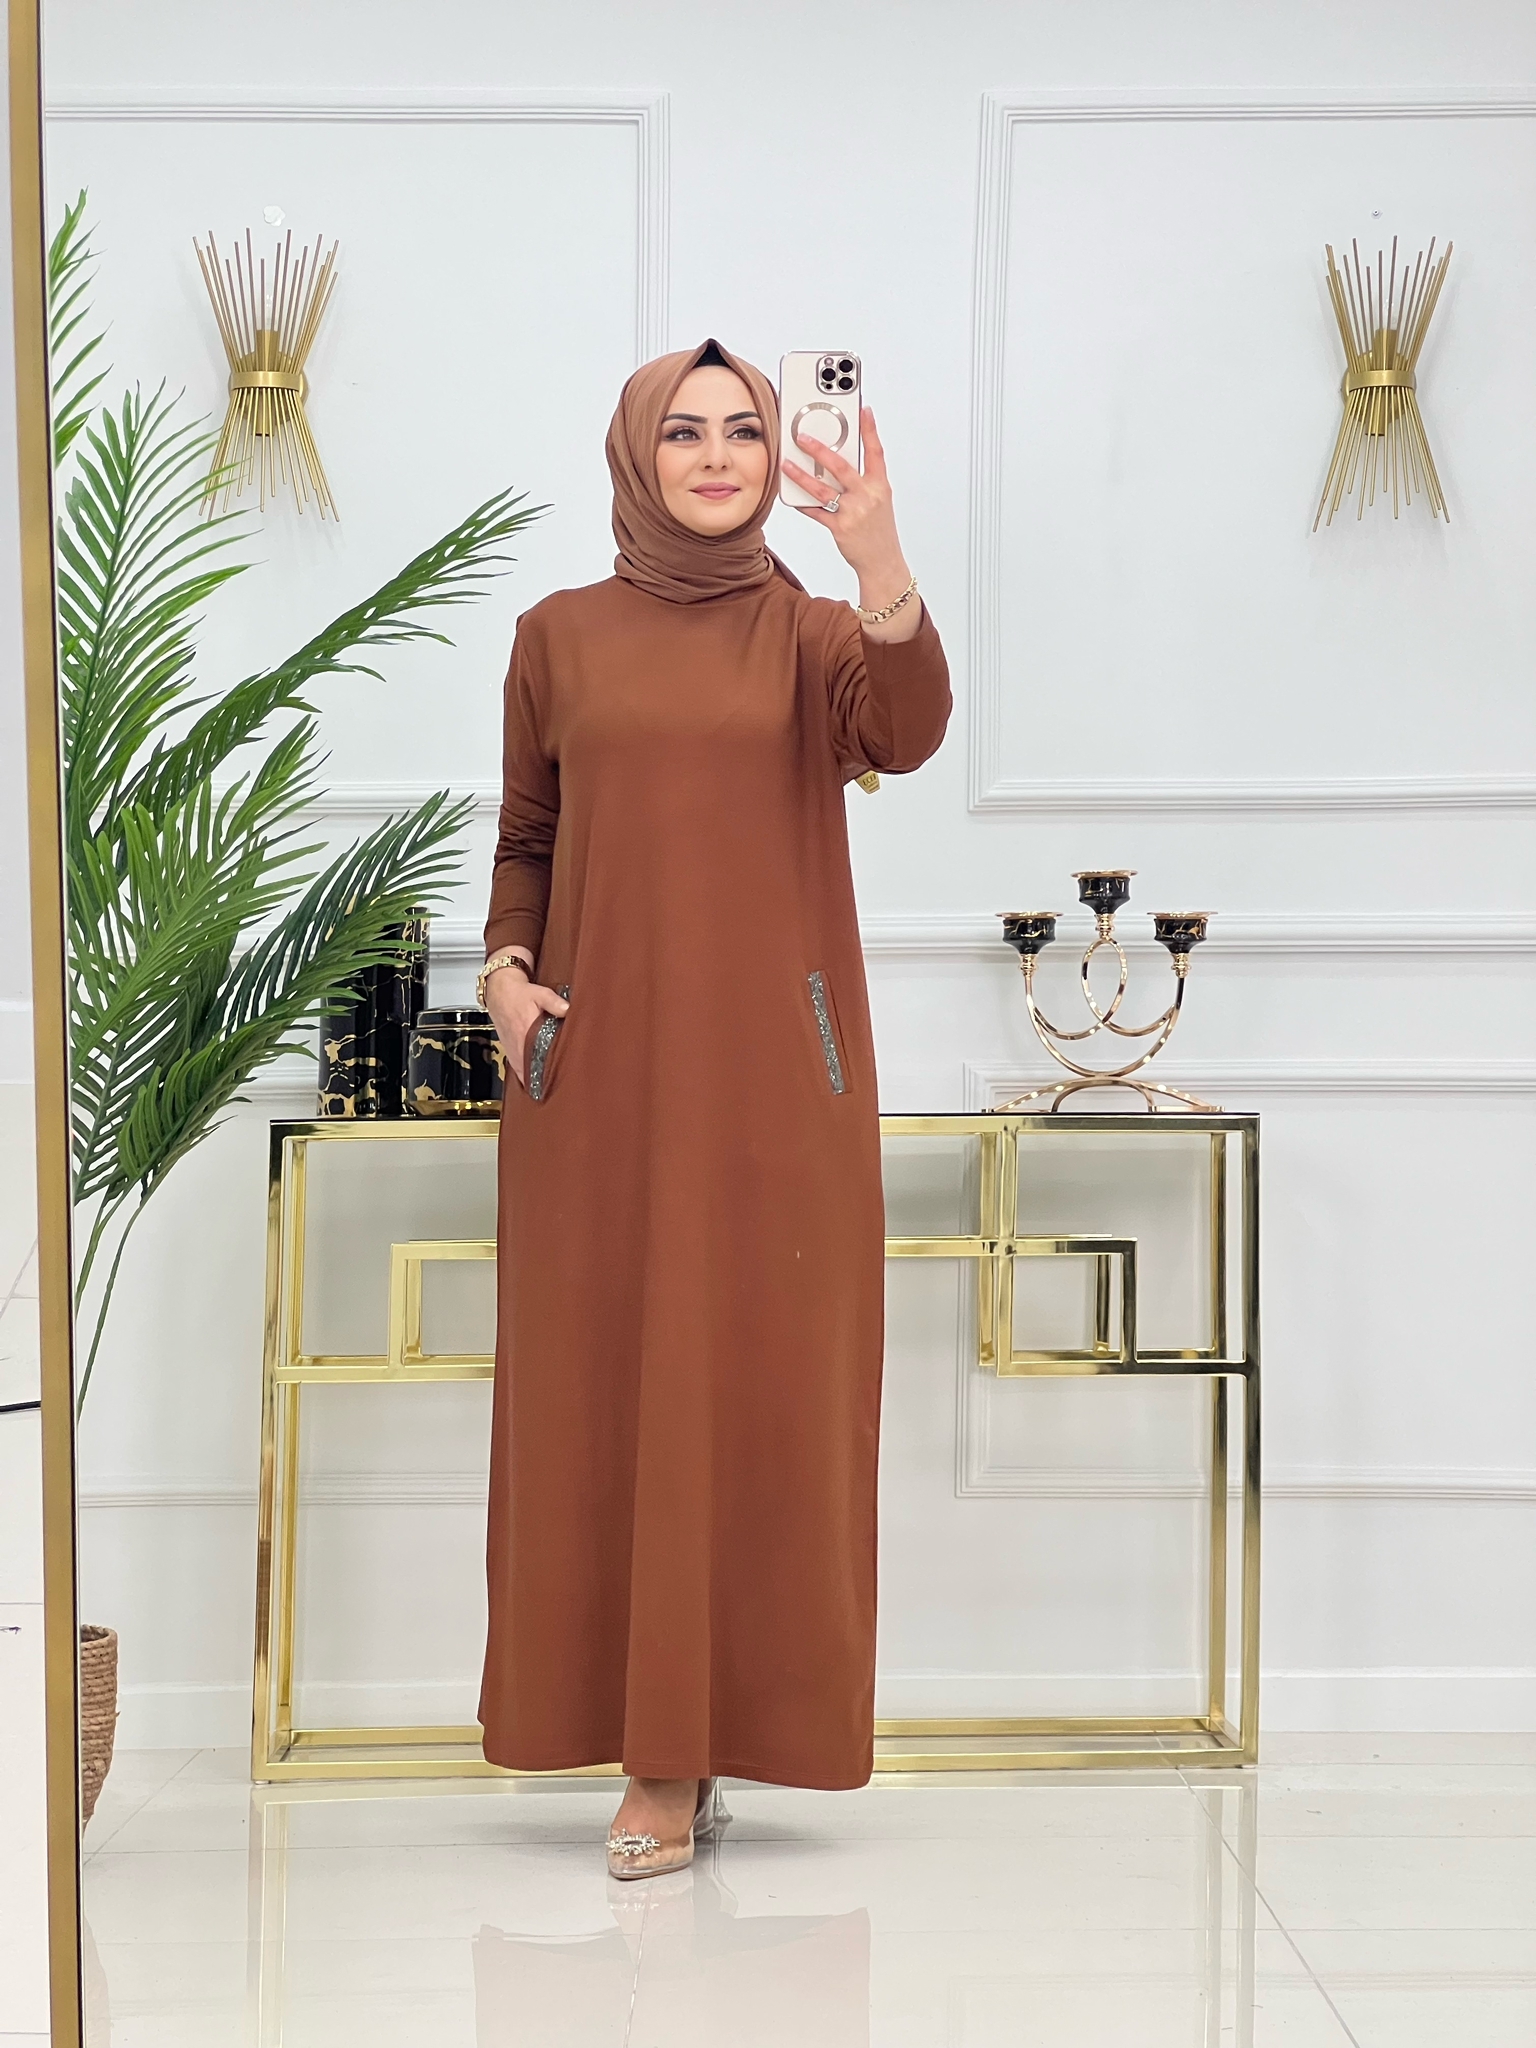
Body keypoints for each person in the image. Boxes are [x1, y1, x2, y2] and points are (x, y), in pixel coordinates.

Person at [477, 338, 950, 1880]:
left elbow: (908, 730)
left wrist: (876, 556)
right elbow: (529, 834)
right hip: (600, 1076)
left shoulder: (812, 636)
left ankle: (706, 1743)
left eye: (744, 429)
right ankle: (652, 1749)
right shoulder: (557, 637)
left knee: (757, 1391)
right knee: (611, 1392)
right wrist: (504, 972)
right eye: (682, 432)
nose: (717, 454)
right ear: (637, 456)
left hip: (773, 1084)